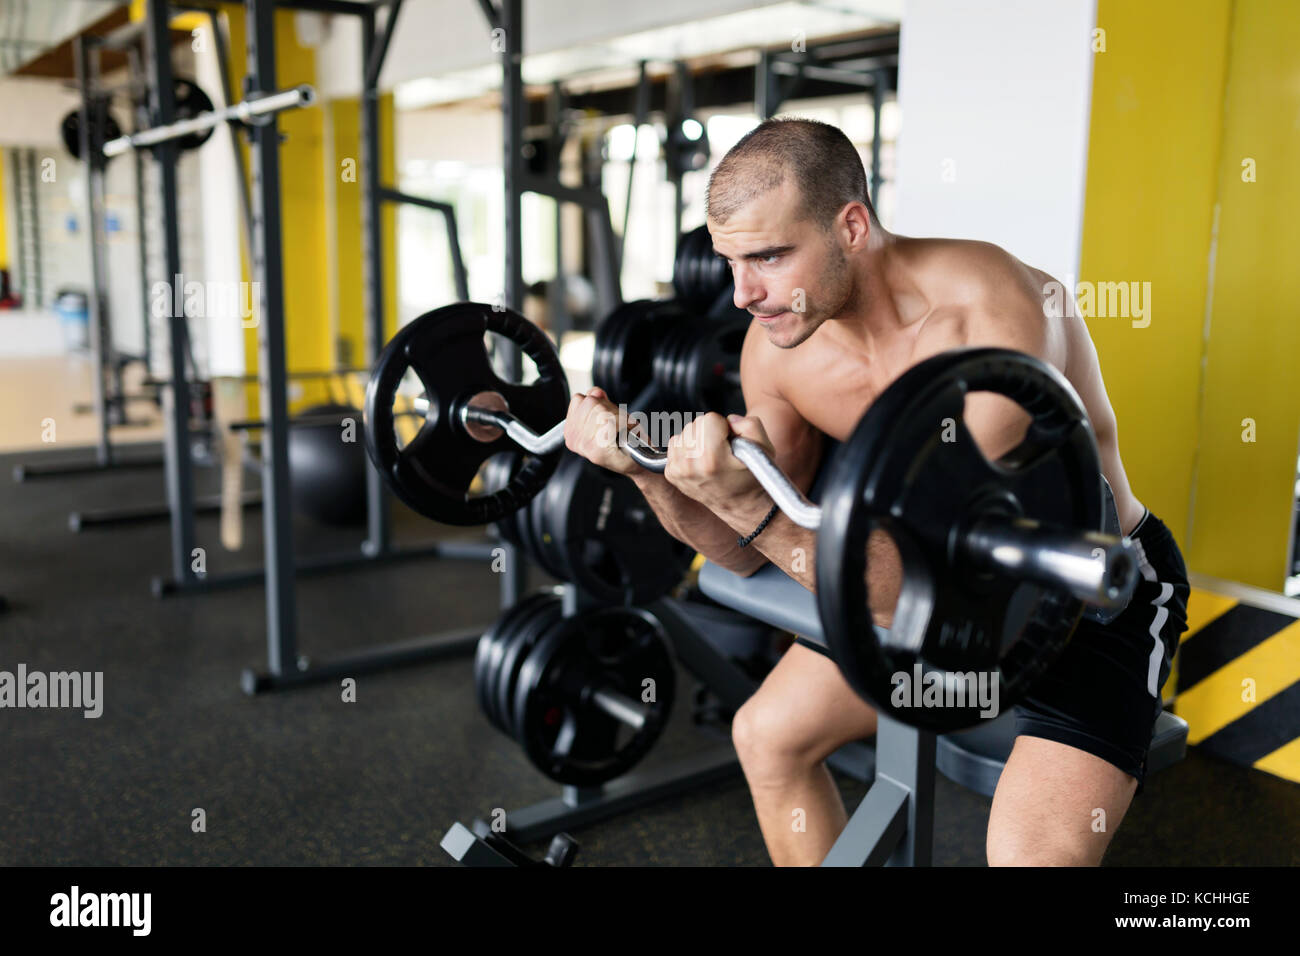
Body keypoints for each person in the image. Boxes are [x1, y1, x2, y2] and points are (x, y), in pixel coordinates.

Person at [563, 117, 1189, 866]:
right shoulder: (780, 352)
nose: (743, 295)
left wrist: (750, 504)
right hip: (925, 593)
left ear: (852, 226)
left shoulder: (989, 325)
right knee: (767, 737)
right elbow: (743, 555)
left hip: (1086, 597)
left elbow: (919, 592)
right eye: (730, 262)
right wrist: (647, 473)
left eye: (767, 256)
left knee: (1030, 857)